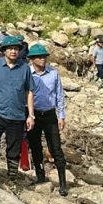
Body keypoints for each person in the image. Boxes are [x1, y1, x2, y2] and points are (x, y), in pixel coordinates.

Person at [0, 35, 34, 191]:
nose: (13, 51)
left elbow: (29, 92)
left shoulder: (24, 68)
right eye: (10, 49)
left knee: (14, 149)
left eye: (16, 49)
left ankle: (12, 178)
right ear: (4, 50)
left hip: (17, 114)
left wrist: (31, 115)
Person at [26, 44, 69, 195]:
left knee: (55, 147)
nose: (42, 59)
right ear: (31, 59)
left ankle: (63, 182)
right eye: (39, 57)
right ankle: (40, 176)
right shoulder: (27, 73)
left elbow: (59, 94)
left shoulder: (53, 73)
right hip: (32, 114)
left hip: (50, 114)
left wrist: (61, 115)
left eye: (44, 56)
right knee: (35, 146)